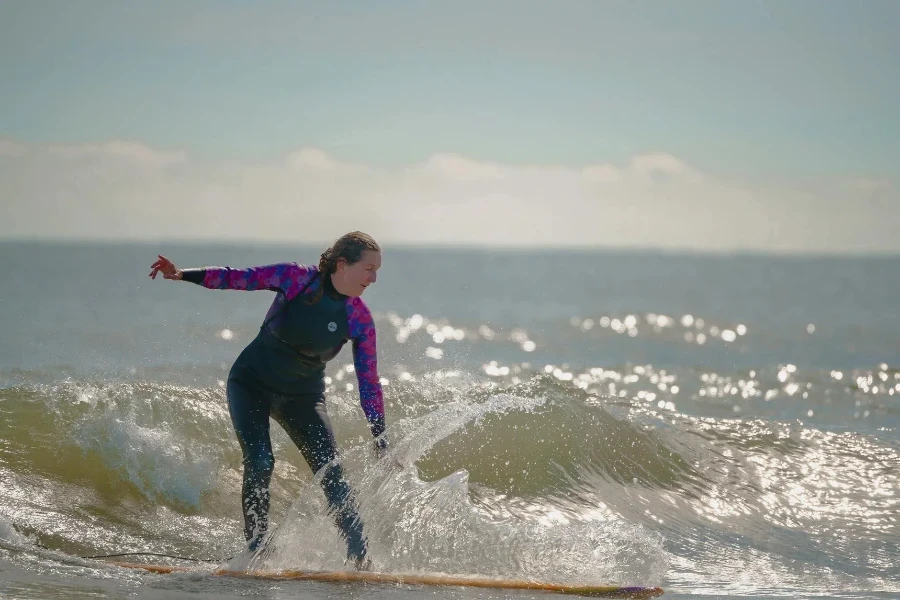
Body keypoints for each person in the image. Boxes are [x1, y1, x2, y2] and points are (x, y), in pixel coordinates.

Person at [149, 231, 386, 569]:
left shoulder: (359, 318)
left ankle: (361, 558)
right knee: (260, 461)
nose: (374, 279)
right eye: (369, 269)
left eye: (377, 270)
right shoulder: (296, 279)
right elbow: (238, 278)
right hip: (251, 384)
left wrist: (380, 434)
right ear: (342, 264)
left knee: (332, 474)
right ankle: (257, 550)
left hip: (303, 398)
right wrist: (183, 274)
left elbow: (369, 381)